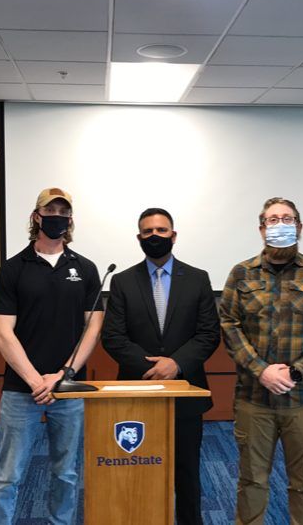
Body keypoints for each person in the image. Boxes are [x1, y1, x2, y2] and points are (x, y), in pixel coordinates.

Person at [220, 197, 303, 525]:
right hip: (253, 399)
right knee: (251, 483)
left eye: (287, 219)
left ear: (299, 227)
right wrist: (261, 371)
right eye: (273, 220)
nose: (280, 225)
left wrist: (297, 371)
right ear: (262, 229)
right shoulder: (241, 273)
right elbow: (229, 327)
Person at [0, 187, 104, 525]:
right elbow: (2, 331)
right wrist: (35, 380)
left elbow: (92, 328)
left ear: (70, 219)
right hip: (20, 390)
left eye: (63, 211)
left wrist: (62, 375)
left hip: (67, 390)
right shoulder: (13, 268)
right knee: (7, 475)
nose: (57, 216)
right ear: (37, 216)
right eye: (49, 210)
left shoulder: (85, 268)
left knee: (65, 473)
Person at [102, 207, 220, 525]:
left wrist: (176, 365)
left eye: (161, 230)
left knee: (187, 473)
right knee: (136, 469)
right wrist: (155, 368)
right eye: (148, 232)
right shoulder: (123, 281)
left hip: (186, 393)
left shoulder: (198, 278)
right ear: (139, 238)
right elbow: (112, 338)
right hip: (136, 393)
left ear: (174, 235)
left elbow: (209, 335)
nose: (155, 236)